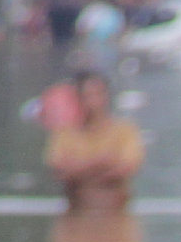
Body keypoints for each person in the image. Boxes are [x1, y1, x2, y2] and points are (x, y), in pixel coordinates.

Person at [46, 72, 143, 214]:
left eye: (97, 94)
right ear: (78, 99)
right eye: (86, 95)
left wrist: (81, 169)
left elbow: (127, 167)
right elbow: (60, 169)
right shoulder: (64, 134)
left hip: (117, 216)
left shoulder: (125, 132)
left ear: (107, 96)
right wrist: (102, 162)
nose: (92, 101)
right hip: (76, 213)